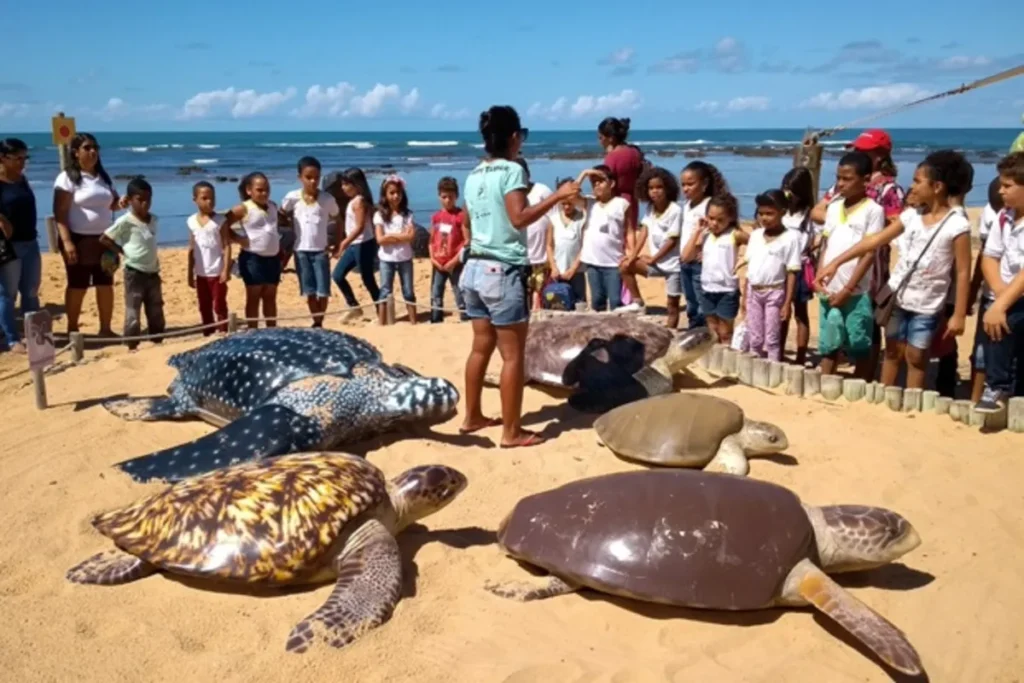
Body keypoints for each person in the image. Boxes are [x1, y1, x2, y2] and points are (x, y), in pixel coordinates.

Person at [459, 105, 578, 448]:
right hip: (501, 269)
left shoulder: (474, 174)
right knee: (513, 355)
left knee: (480, 347)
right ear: (514, 137)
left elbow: (468, 219)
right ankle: (511, 431)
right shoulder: (512, 171)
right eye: (521, 136)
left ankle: (472, 416)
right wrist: (557, 196)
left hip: (474, 267)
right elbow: (519, 217)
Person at [816, 151, 973, 390]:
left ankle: (910, 402)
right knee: (891, 351)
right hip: (898, 297)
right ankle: (885, 399)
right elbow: (874, 241)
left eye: (918, 181)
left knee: (916, 357)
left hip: (928, 303)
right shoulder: (910, 216)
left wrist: (959, 314)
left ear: (938, 186)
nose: (912, 187)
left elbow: (962, 272)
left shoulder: (957, 224)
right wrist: (836, 262)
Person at [812, 128, 906, 378]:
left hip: (868, 274)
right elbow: (819, 214)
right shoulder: (838, 197)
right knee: (831, 330)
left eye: (864, 151)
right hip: (833, 272)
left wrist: (874, 233)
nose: (857, 153)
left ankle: (863, 378)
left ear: (879, 156)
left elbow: (893, 227)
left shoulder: (888, 191)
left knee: (865, 328)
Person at [53, 133, 122, 336]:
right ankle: (73, 328)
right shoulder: (67, 178)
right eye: (87, 148)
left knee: (105, 284)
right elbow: (60, 212)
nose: (93, 152)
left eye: (95, 148)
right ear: (75, 153)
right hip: (78, 238)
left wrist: (122, 203)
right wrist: (67, 241)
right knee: (78, 284)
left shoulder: (103, 178)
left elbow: (112, 204)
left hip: (104, 240)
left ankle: (106, 328)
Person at [977, 151, 1024, 413]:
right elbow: (990, 256)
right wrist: (1000, 293)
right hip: (1008, 291)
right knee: (999, 320)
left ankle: (998, 384)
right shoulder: (1004, 217)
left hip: (1018, 294)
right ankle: (1000, 386)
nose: (1001, 191)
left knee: (1003, 322)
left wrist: (1001, 304)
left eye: (1008, 186)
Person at [100, 178, 165, 351]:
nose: (145, 204)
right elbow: (105, 238)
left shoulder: (154, 220)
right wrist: (121, 251)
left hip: (153, 270)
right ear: (129, 200)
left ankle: (157, 338)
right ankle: (131, 342)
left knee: (156, 306)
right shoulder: (125, 221)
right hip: (134, 271)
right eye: (140, 200)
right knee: (133, 308)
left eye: (148, 199)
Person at [280, 156, 340, 328]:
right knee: (309, 291)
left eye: (316, 177)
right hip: (300, 251)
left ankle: (320, 320)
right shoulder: (292, 198)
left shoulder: (327, 199)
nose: (313, 181)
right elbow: (281, 215)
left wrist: (337, 242)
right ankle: (317, 321)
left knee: (323, 290)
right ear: (300, 177)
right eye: (308, 177)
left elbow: (338, 218)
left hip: (321, 250)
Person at [681, 193, 748, 344]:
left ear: (730, 218)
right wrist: (697, 231)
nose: (714, 223)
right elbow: (685, 256)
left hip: (727, 290)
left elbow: (755, 243)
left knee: (725, 331)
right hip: (707, 289)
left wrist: (743, 260)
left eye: (720, 220)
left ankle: (727, 360)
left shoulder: (734, 235)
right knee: (712, 329)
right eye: (711, 218)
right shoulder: (706, 235)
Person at [743, 190, 800, 361]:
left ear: (782, 212)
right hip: (754, 292)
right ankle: (754, 368)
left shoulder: (791, 238)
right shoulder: (755, 236)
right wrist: (745, 296)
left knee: (772, 337)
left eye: (770, 213)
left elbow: (792, 272)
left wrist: (787, 302)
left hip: (774, 293)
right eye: (761, 213)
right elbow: (749, 268)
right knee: (755, 336)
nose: (764, 218)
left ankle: (773, 368)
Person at [221, 172, 281, 329]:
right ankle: (253, 331)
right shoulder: (243, 208)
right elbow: (222, 224)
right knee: (254, 296)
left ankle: (272, 330)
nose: (264, 193)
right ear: (249, 190)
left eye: (267, 189)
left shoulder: (273, 206)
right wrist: (238, 238)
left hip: (273, 258)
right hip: (253, 258)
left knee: (270, 296)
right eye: (260, 190)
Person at [598, 117, 646, 308]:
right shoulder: (634, 152)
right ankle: (628, 294)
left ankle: (626, 295)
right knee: (628, 243)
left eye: (601, 137)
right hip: (632, 199)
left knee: (616, 249)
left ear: (609, 138)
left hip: (617, 201)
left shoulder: (612, 157)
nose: (599, 141)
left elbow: (607, 182)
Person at [678, 161, 730, 330]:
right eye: (683, 185)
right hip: (685, 261)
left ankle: (703, 333)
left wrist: (704, 249)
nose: (686, 189)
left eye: (690, 184)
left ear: (704, 184)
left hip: (700, 265)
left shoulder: (710, 205)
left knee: (702, 304)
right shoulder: (686, 205)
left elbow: (721, 230)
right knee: (690, 302)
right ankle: (694, 330)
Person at [967, 177, 1006, 401]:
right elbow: (985, 255)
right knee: (981, 353)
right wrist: (975, 292)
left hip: (1009, 298)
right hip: (994, 296)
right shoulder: (998, 216)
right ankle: (975, 400)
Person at [631, 166, 684, 328]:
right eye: (651, 188)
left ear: (667, 188)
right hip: (655, 264)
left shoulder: (675, 210)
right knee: (625, 265)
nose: (655, 191)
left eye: (659, 187)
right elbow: (644, 231)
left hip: (673, 266)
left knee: (672, 305)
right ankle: (638, 303)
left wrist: (653, 258)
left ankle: (672, 330)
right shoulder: (649, 208)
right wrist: (633, 255)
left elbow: (672, 241)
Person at [578, 165, 636, 312]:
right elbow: (568, 194)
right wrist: (584, 173)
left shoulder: (621, 204)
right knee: (597, 301)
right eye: (594, 182)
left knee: (616, 300)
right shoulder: (589, 203)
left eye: (601, 181)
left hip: (614, 262)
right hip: (592, 262)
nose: (597, 185)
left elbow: (629, 230)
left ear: (612, 183)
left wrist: (632, 253)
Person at [0, 138, 39, 354]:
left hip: (30, 241)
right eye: (17, 158)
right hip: (9, 246)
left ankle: (34, 335)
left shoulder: (22, 180)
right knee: (8, 292)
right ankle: (12, 339)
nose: (22, 162)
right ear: (3, 158)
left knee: (31, 291)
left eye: (25, 158)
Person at [779, 166, 820, 365]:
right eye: (786, 188)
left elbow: (822, 235)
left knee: (800, 313)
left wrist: (811, 249)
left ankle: (801, 355)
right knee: (781, 312)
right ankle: (777, 351)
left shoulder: (809, 216)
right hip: (780, 267)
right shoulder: (782, 212)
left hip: (800, 269)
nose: (788, 194)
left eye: (792, 190)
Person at [330, 167, 380, 319]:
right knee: (338, 275)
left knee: (368, 279)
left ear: (356, 184)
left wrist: (343, 243)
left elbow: (359, 227)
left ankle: (381, 311)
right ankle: (353, 305)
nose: (343, 188)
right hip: (355, 245)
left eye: (346, 184)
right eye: (342, 184)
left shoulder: (359, 202)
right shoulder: (354, 201)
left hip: (363, 244)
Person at [186, 181, 230, 336]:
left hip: (216, 271)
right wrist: (189, 273)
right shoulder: (191, 221)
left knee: (219, 303)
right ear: (195, 200)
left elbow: (226, 246)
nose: (209, 202)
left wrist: (225, 269)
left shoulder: (220, 221)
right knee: (204, 304)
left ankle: (223, 330)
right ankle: (208, 331)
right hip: (201, 272)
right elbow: (191, 248)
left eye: (212, 198)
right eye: (204, 198)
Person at [374, 174, 417, 325]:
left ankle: (413, 321)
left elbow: (411, 236)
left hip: (405, 258)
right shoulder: (379, 215)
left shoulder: (407, 214)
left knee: (408, 291)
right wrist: (400, 236)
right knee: (385, 290)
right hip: (386, 259)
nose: (395, 196)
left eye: (398, 193)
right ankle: (382, 322)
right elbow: (380, 239)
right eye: (392, 193)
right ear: (385, 195)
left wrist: (390, 237)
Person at [429, 176, 468, 323]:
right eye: (444, 197)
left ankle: (465, 316)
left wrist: (455, 260)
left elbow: (466, 241)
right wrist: (433, 258)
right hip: (438, 261)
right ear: (439, 196)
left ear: (456, 196)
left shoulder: (460, 216)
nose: (447, 200)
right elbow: (431, 240)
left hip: (455, 261)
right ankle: (436, 317)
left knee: (458, 290)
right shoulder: (436, 217)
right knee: (436, 291)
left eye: (450, 197)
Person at [516, 158, 554, 310]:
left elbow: (555, 217)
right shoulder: (510, 195)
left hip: (541, 257)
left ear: (528, 174)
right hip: (520, 257)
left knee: (541, 298)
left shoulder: (542, 190)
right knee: (521, 298)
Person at [546, 177, 588, 309]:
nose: (566, 207)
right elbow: (549, 245)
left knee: (579, 303)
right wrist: (553, 267)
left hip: (577, 271)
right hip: (557, 271)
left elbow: (584, 245)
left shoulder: (581, 218)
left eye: (569, 203)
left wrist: (573, 268)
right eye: (563, 204)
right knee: (558, 303)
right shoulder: (553, 219)